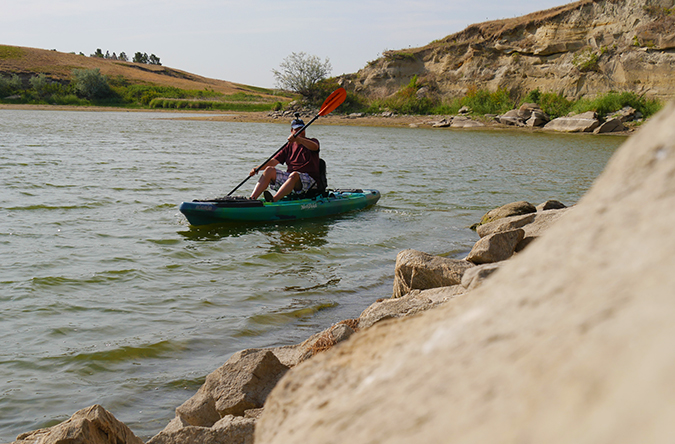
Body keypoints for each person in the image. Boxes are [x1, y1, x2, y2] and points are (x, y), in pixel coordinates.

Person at [249, 117, 321, 202]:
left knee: (294, 175)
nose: (299, 132)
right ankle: (252, 199)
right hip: (291, 179)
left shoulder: (312, 141)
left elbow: (315, 147)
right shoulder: (288, 146)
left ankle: (274, 199)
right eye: (296, 129)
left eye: (301, 129)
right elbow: (273, 161)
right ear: (291, 131)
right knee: (269, 170)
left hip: (309, 181)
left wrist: (299, 139)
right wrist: (257, 168)